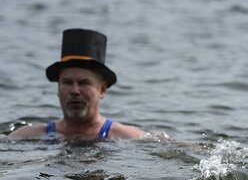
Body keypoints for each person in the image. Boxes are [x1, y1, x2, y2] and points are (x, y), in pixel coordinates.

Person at [9, 28, 146, 141]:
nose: (75, 90)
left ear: (102, 90)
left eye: (84, 83)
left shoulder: (128, 137)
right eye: (67, 82)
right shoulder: (27, 136)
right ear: (58, 88)